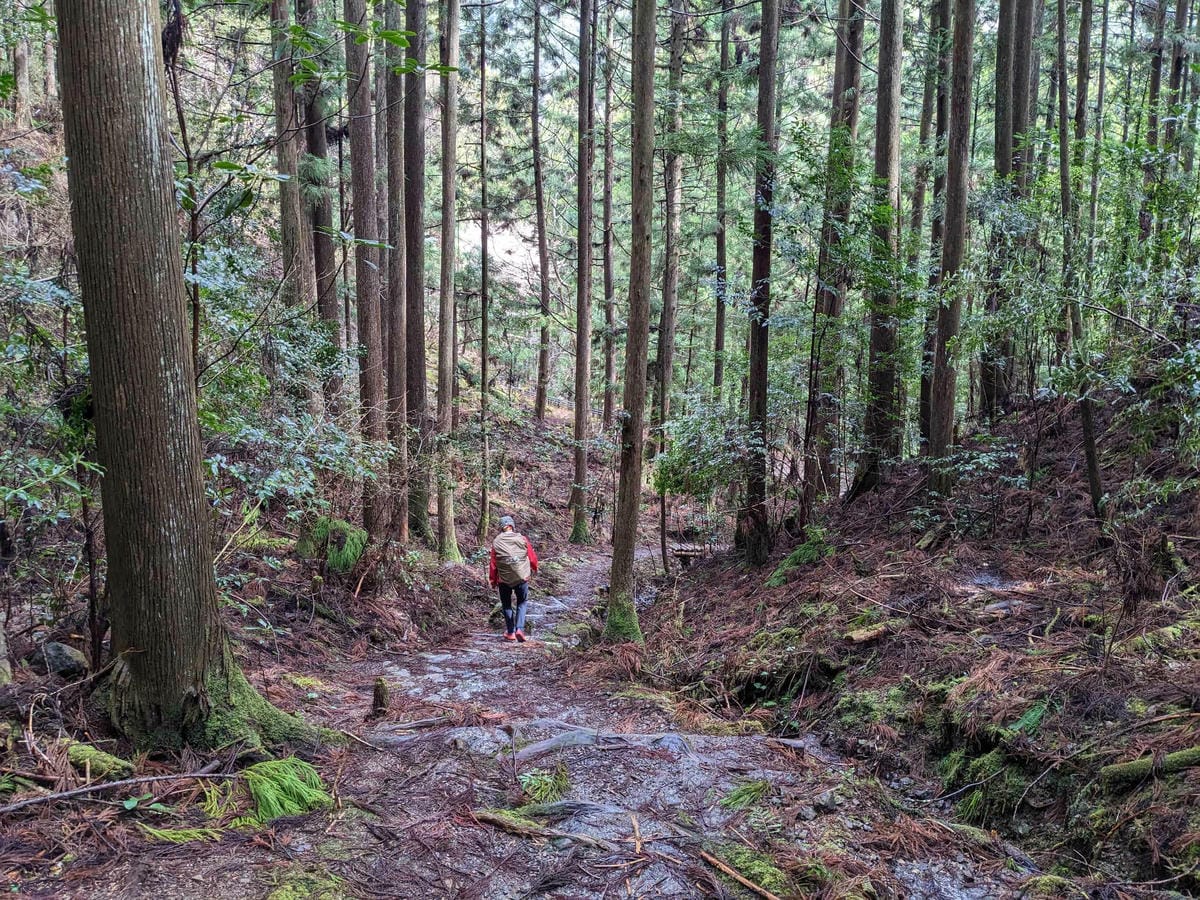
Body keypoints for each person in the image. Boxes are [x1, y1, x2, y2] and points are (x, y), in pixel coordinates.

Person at [489, 515, 538, 642]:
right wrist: (534, 567)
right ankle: (519, 629)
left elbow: (493, 564)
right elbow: (532, 556)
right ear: (512, 526)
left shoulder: (497, 542)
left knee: (506, 605)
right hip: (521, 577)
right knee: (522, 602)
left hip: (503, 580)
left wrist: (493, 581)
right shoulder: (522, 539)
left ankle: (510, 632)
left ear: (502, 527)